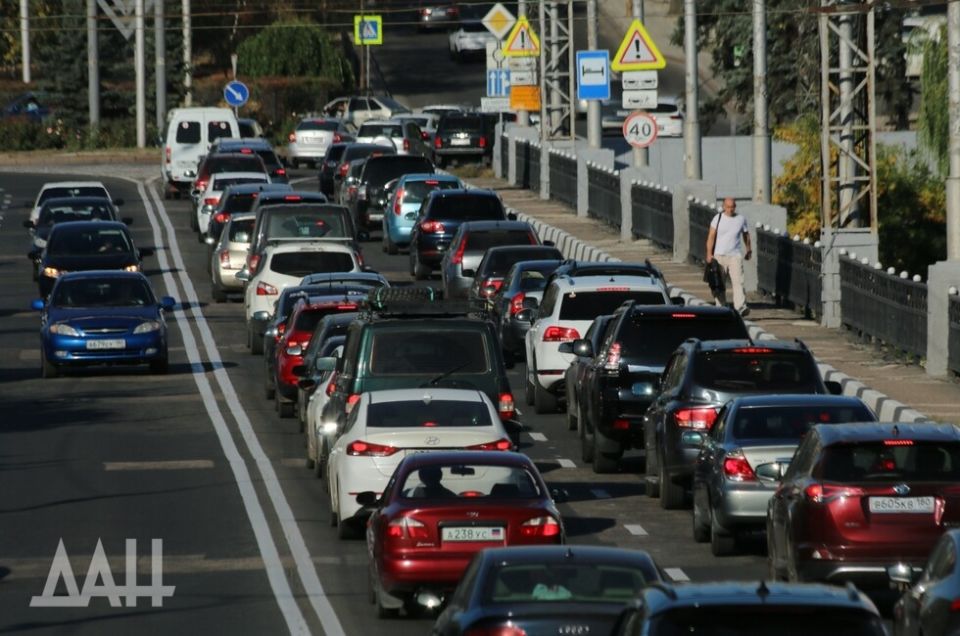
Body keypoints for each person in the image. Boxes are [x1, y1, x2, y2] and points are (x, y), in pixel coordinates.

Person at [705, 197, 752, 317]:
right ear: (724, 207)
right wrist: (709, 254)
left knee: (738, 282)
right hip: (719, 256)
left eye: (733, 207)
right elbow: (711, 236)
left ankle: (740, 307)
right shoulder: (718, 218)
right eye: (728, 207)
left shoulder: (741, 219)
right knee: (719, 284)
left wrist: (748, 249)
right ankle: (721, 307)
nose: (730, 209)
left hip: (735, 256)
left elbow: (746, 235)